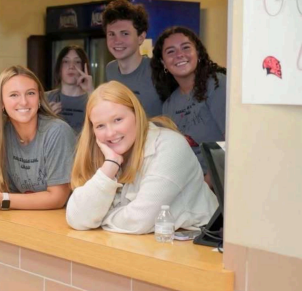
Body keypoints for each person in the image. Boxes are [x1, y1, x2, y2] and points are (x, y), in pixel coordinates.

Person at [66, 81, 218, 234]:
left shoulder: (170, 146)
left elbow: (139, 220)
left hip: (197, 245)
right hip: (146, 244)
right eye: (100, 126)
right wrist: (111, 165)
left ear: (136, 114)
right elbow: (77, 218)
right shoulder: (108, 154)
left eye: (118, 120)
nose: (110, 133)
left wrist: (99, 219)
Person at [0, 66, 76, 213]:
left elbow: (58, 197)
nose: (24, 102)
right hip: (23, 218)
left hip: (63, 220)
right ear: (1, 103)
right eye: (14, 95)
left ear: (39, 98)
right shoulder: (0, 131)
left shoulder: (57, 131)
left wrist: (1, 200)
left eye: (30, 93)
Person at [150, 26, 226, 183]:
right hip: (189, 183)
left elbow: (233, 144)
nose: (179, 55)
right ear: (163, 63)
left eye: (185, 47)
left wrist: (207, 184)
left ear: (197, 53)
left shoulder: (217, 85)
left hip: (220, 184)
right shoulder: (169, 105)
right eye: (170, 51)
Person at [102, 0, 162, 117]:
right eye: (111, 34)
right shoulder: (110, 69)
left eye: (125, 33)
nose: (117, 41)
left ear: (141, 37)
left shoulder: (158, 69)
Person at [45, 45, 94, 133]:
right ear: (59, 68)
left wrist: (91, 92)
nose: (71, 66)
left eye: (77, 62)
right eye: (66, 61)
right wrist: (46, 120)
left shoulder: (93, 98)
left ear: (84, 67)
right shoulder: (45, 99)